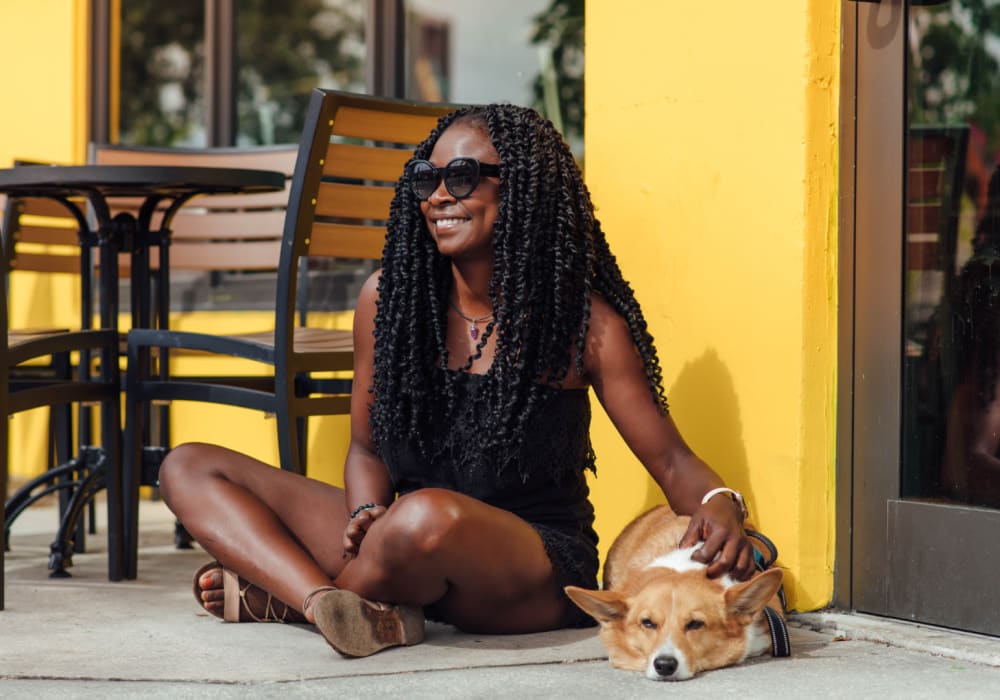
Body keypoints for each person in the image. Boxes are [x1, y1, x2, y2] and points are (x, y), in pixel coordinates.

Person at [159, 103, 756, 658]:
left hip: (525, 572)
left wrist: (722, 505)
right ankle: (327, 606)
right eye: (427, 179)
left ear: (521, 190)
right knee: (186, 465)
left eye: (464, 177)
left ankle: (295, 597)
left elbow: (674, 464)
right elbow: (366, 449)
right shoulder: (387, 302)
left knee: (426, 516)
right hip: (399, 540)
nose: (440, 195)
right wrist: (367, 511)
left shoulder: (584, 326)